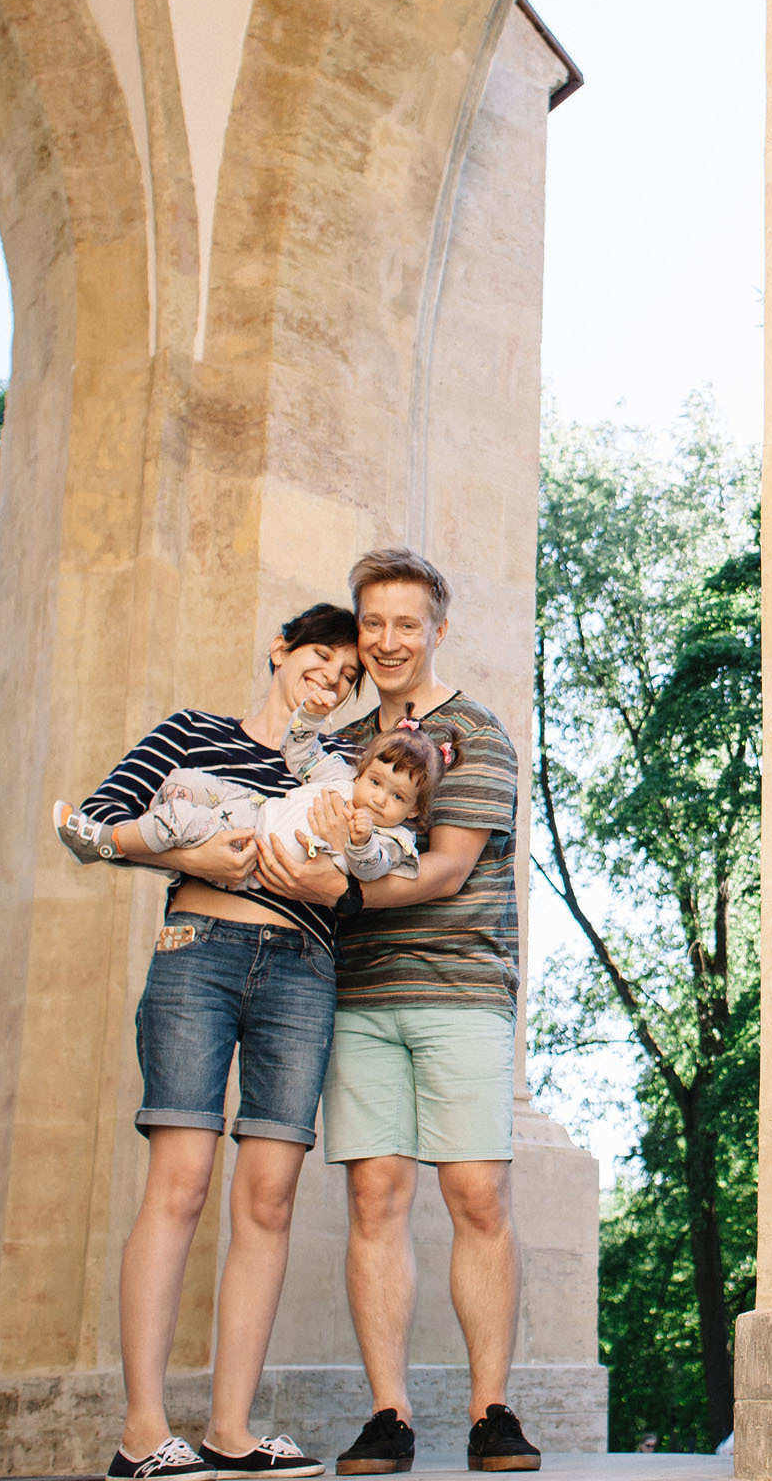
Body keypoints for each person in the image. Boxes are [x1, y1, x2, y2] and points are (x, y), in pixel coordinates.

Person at [256, 548, 540, 1474]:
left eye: (406, 623)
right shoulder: (336, 749)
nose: (386, 641)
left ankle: (492, 1410)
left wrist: (330, 888)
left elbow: (448, 867)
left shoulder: (479, 734)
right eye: (371, 622)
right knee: (375, 1196)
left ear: (436, 631)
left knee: (477, 1195)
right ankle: (391, 1416)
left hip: (460, 989)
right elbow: (293, 826)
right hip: (358, 994)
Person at [71, 603, 365, 1481]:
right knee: (180, 1187)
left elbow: (360, 871)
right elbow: (100, 823)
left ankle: (231, 1432)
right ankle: (141, 1435)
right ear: (280, 651)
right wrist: (188, 862)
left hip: (302, 973)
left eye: (349, 677)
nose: (334, 680)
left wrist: (330, 873)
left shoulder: (343, 767)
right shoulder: (191, 732)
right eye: (322, 658)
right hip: (197, 957)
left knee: (268, 1200)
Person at [53, 694, 442, 883]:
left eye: (397, 797)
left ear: (412, 811)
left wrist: (360, 843)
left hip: (250, 843)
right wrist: (310, 716)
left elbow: (372, 871)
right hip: (255, 808)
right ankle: (167, 833)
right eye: (375, 782)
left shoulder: (390, 837)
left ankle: (109, 842)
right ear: (362, 773)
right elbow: (299, 753)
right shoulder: (338, 778)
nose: (378, 798)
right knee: (187, 783)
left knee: (181, 818)